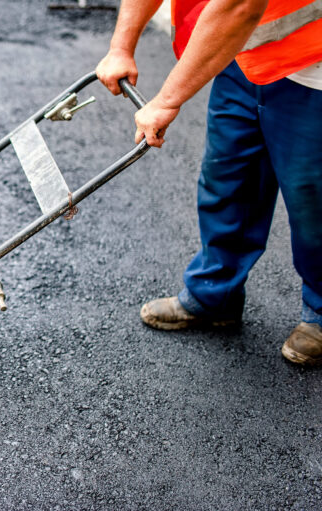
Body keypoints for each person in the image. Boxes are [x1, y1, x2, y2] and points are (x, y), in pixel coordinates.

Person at [95, 0, 322, 365]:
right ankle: (215, 293)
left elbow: (240, 5)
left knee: (313, 198)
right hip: (244, 56)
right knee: (228, 179)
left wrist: (167, 100)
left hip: (313, 68)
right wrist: (121, 47)